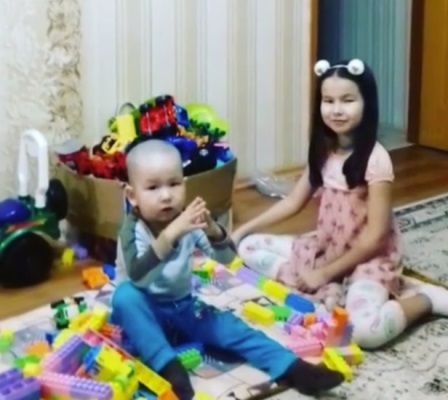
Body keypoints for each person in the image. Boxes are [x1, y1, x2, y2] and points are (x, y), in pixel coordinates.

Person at [233, 59, 448, 350]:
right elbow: (294, 202)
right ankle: (317, 280)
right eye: (328, 100)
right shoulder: (323, 151)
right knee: (248, 246)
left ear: (366, 103)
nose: (336, 110)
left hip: (368, 258)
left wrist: (323, 274)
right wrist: (242, 230)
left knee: (363, 333)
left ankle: (425, 299)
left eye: (347, 100)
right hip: (329, 247)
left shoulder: (376, 159)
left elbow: (375, 238)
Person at [111, 139, 343, 400]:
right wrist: (171, 235)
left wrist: (214, 231)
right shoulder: (133, 230)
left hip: (182, 307)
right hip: (146, 314)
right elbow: (140, 276)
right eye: (153, 187)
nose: (166, 195)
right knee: (125, 296)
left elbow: (228, 260)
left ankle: (292, 368)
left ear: (184, 185)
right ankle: (168, 367)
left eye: (174, 184)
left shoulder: (187, 220)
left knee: (231, 327)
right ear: (132, 195)